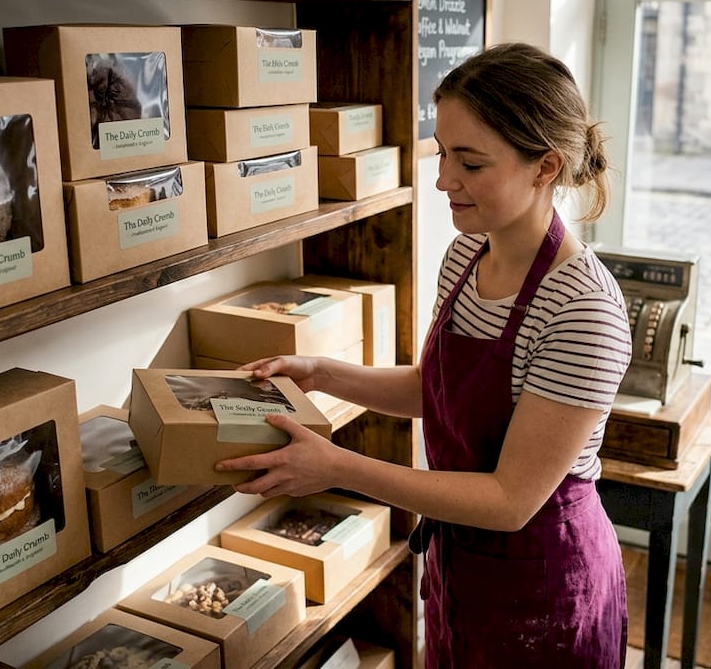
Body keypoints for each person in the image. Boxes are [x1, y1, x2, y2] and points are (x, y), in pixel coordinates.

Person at [214, 41, 634, 667]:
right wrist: (321, 372)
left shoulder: (582, 309)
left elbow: (510, 500)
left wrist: (340, 468)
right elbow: (435, 389)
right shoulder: (468, 255)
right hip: (460, 565)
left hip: (543, 583)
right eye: (442, 153)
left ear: (544, 167)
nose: (443, 180)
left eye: (471, 163)